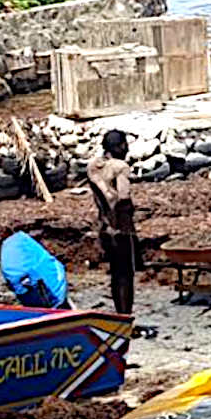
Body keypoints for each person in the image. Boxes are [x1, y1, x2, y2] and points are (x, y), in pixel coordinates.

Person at [87, 129, 139, 315]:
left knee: (115, 275)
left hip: (104, 229)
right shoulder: (120, 167)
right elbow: (123, 197)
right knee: (126, 276)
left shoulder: (93, 167)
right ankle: (126, 317)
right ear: (120, 146)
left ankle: (119, 315)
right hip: (122, 230)